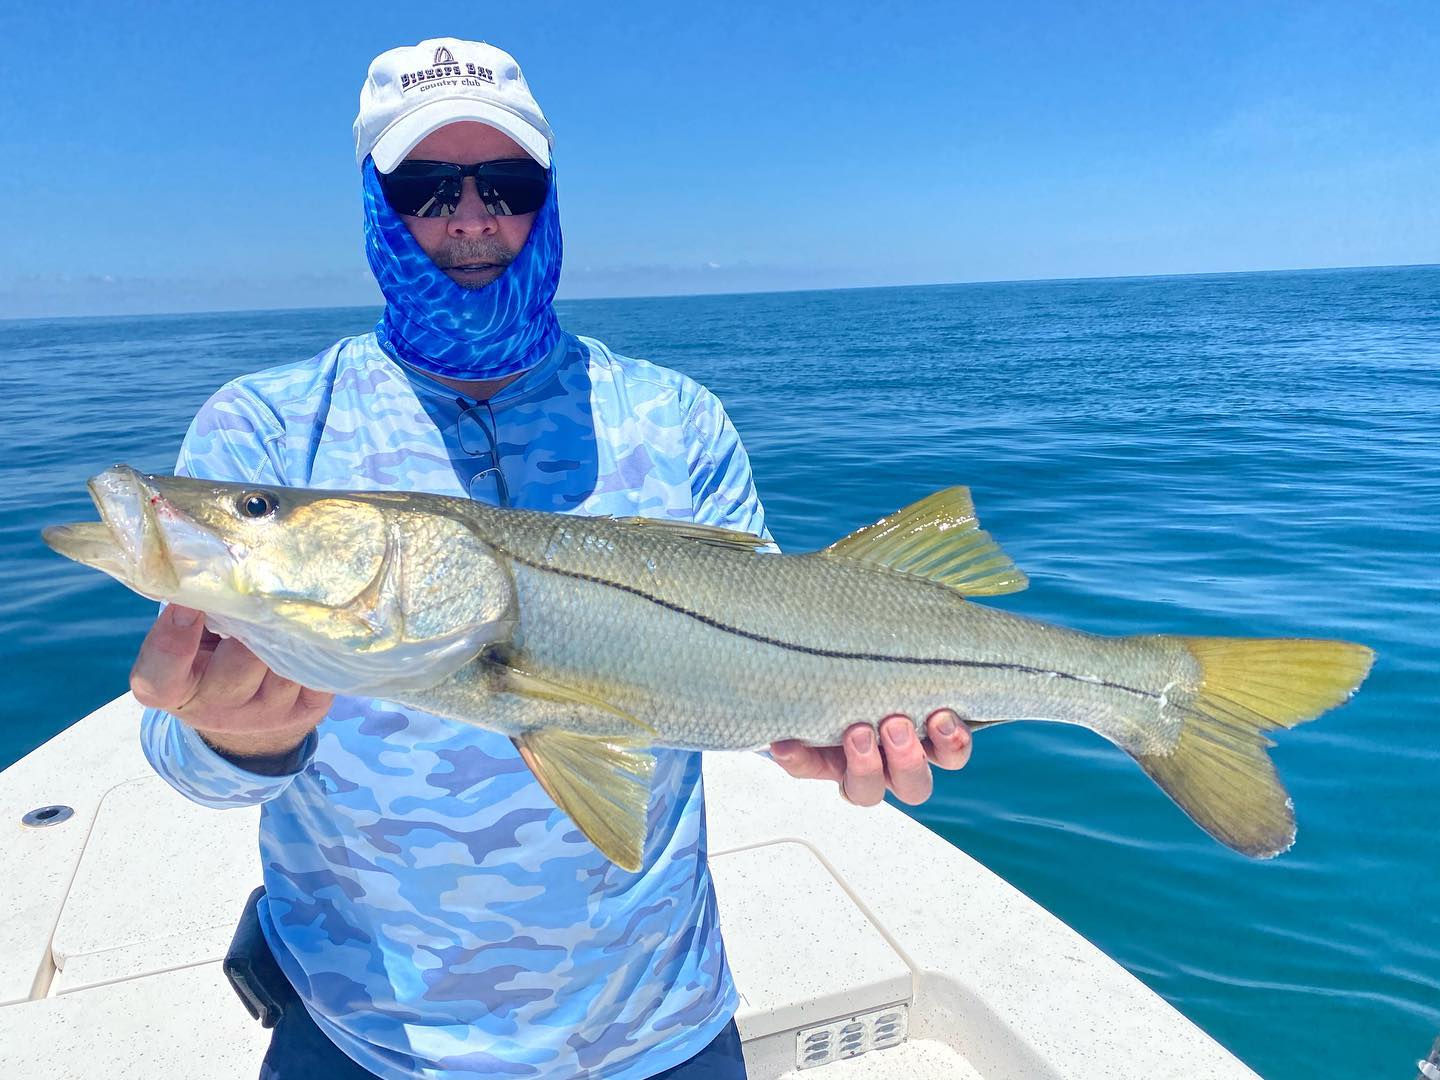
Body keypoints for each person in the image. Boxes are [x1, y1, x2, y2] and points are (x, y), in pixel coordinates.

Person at [130, 38, 972, 1080]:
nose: (473, 221)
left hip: (659, 1029)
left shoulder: (674, 419)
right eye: (429, 189)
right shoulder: (267, 430)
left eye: (508, 184)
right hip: (364, 1037)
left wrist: (818, 736)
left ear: (549, 196)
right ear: (375, 205)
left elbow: (750, 668)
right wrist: (233, 740)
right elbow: (184, 764)